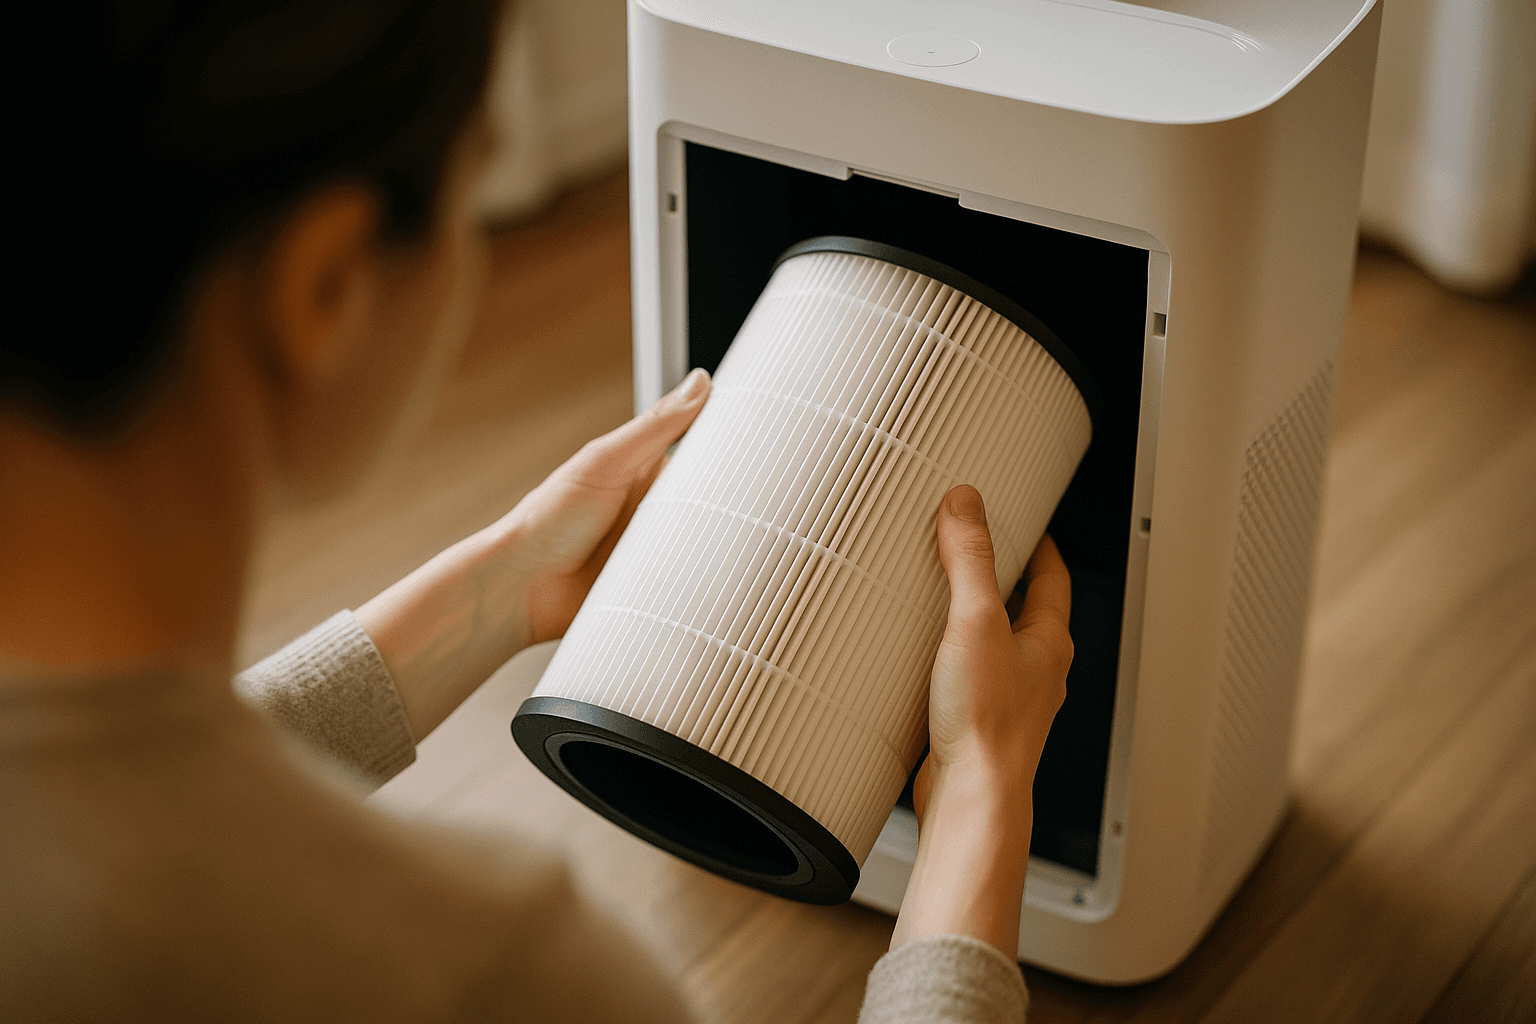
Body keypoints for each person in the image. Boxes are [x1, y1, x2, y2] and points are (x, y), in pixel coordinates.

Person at [0, 1, 1072, 1021]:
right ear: (324, 287)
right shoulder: (490, 974)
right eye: (467, 198)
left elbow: (122, 800)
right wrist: (980, 791)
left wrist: (510, 577)